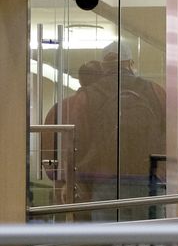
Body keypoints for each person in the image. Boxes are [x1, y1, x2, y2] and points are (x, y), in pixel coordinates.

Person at [41, 44, 167, 220]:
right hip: (149, 181)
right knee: (151, 243)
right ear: (131, 64)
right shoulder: (157, 93)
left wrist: (67, 180)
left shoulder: (85, 98)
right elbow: (175, 138)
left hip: (105, 183)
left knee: (106, 242)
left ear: (103, 67)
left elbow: (69, 143)